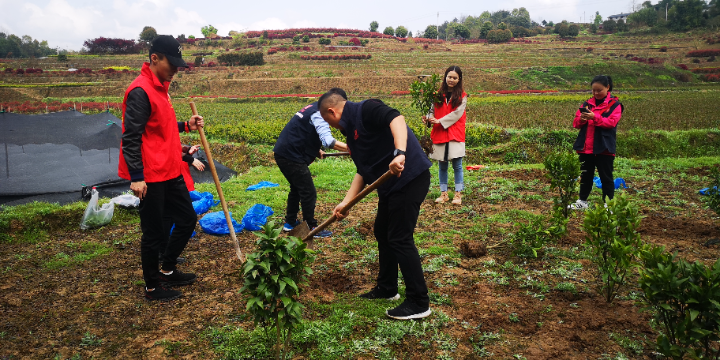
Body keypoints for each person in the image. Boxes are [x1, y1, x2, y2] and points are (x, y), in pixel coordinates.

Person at [318, 90, 433, 320]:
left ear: (332, 112)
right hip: (391, 186)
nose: (330, 126)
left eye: (327, 121)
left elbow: (396, 119)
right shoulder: (352, 135)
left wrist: (400, 153)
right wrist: (346, 202)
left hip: (410, 178)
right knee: (382, 231)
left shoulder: (366, 109)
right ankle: (387, 288)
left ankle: (419, 302)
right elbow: (363, 171)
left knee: (400, 237)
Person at [119, 35, 202, 301]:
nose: (176, 69)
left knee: (187, 219)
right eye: (172, 63)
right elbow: (131, 137)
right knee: (154, 233)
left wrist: (185, 125)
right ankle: (153, 287)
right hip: (151, 176)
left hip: (171, 169)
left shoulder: (160, 88)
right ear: (155, 58)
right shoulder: (141, 90)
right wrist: (137, 177)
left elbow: (160, 126)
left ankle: (167, 268)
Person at [273, 88, 348, 237]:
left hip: (283, 152)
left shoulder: (314, 107)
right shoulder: (318, 114)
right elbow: (328, 141)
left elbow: (303, 131)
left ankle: (290, 222)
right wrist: (351, 148)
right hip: (290, 156)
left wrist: (315, 149)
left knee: (297, 187)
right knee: (308, 191)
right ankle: (311, 227)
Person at [568, 75, 624, 210]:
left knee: (606, 177)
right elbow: (576, 124)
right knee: (586, 175)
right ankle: (582, 202)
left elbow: (611, 123)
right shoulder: (586, 104)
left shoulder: (615, 105)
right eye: (593, 90)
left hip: (604, 146)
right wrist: (582, 118)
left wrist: (595, 117)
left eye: (599, 90)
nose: (596, 93)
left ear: (608, 88)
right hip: (585, 147)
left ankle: (608, 205)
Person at [422, 65, 468, 205]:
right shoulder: (437, 95)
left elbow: (456, 114)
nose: (451, 80)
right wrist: (428, 118)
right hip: (440, 132)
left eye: (455, 78)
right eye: (449, 77)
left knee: (457, 165)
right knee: (442, 164)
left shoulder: (462, 96)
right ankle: (444, 194)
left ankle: (458, 194)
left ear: (459, 79)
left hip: (455, 133)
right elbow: (432, 110)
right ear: (445, 77)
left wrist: (440, 121)